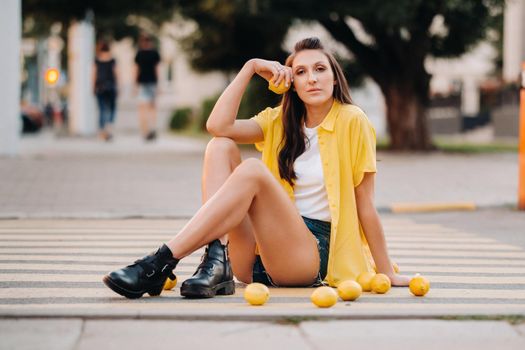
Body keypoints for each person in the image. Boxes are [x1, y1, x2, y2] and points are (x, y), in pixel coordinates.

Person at [103, 37, 410, 300]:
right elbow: (217, 126)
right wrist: (249, 67)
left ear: (334, 77)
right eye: (301, 72)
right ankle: (216, 259)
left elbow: (365, 204)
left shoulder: (353, 120)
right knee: (219, 146)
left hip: (310, 255)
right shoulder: (279, 120)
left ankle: (160, 261)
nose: (312, 78)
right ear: (291, 83)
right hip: (256, 259)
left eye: (320, 69)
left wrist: (385, 271)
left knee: (252, 170)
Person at [134, 34, 161, 141]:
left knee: (142, 110)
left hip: (141, 83)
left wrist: (135, 85)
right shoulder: (155, 54)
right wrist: (158, 85)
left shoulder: (139, 54)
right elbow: (157, 70)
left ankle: (144, 131)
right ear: (151, 42)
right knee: (152, 109)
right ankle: (153, 128)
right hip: (152, 83)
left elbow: (136, 70)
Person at [93, 41, 118, 141]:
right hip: (111, 86)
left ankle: (102, 130)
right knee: (112, 109)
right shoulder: (112, 60)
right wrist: (118, 86)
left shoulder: (97, 60)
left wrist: (93, 86)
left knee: (102, 109)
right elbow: (116, 73)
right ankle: (109, 128)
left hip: (100, 87)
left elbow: (94, 74)